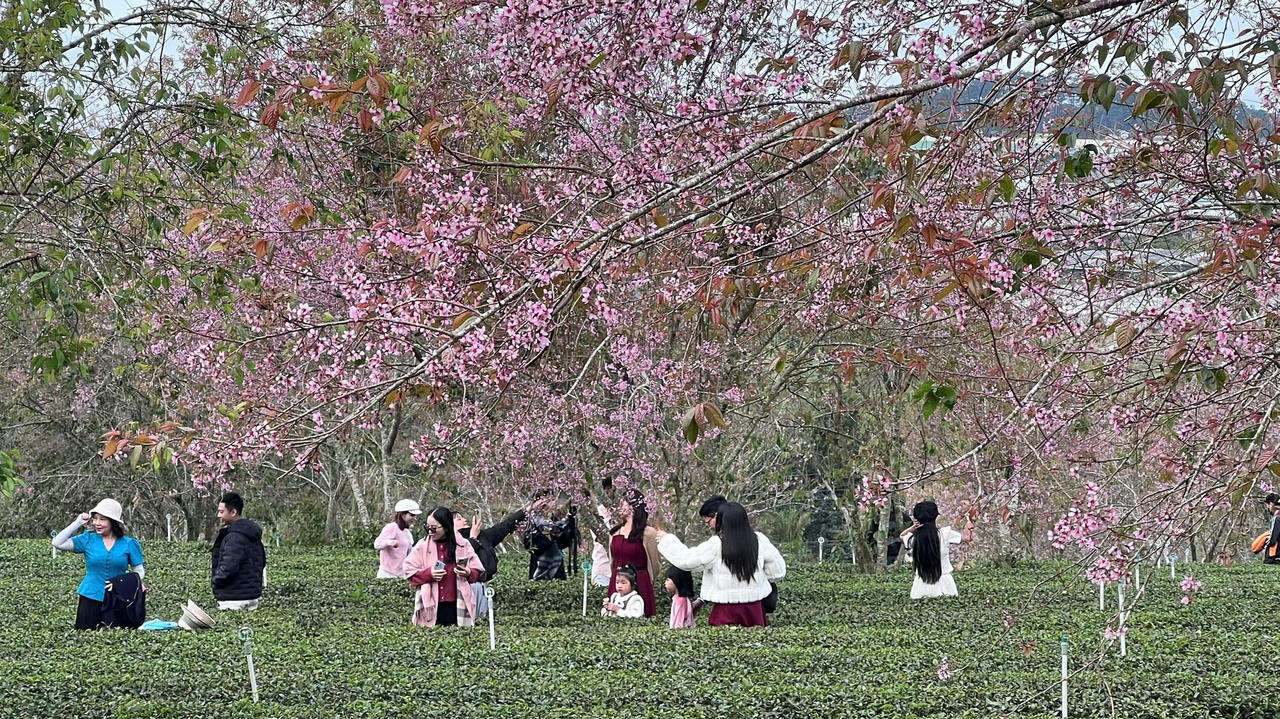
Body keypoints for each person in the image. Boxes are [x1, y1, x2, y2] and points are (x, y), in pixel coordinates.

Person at [656, 502, 786, 627]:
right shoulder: (759, 540)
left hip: (725, 609)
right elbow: (777, 572)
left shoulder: (717, 544)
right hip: (754, 608)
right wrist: (758, 580)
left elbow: (686, 560)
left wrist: (667, 540)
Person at [51, 498, 145, 630]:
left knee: (116, 637)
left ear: (113, 522)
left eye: (102, 519)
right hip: (90, 597)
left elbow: (140, 571)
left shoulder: (129, 544)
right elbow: (57, 542)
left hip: (118, 599)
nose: (97, 523)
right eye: (95, 519)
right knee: (86, 636)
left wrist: (121, 583)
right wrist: (78, 522)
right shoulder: (87, 539)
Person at [403, 507, 481, 627]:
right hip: (430, 606)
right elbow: (409, 572)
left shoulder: (463, 545)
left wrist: (468, 572)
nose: (430, 532)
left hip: (457, 606)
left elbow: (477, 571)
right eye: (427, 527)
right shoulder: (422, 545)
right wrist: (429, 574)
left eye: (434, 528)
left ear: (446, 527)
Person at [455, 507, 526, 615]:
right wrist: (473, 538)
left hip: (482, 586)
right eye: (459, 519)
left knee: (483, 617)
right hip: (463, 588)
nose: (464, 520)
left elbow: (505, 526)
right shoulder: (451, 542)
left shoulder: (484, 536)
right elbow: (460, 558)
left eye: (463, 517)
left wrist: (527, 510)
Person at [899, 500, 970, 599]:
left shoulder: (914, 539)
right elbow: (966, 538)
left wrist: (913, 528)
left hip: (920, 585)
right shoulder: (945, 534)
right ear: (936, 516)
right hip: (946, 584)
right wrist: (969, 521)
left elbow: (902, 536)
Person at [607, 489, 662, 617]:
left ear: (633, 506)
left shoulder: (648, 533)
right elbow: (612, 560)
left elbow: (655, 562)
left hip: (639, 581)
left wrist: (647, 582)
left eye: (623, 503)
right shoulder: (615, 532)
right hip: (617, 579)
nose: (620, 507)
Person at [211, 492, 267, 611]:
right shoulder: (251, 533)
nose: (218, 515)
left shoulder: (235, 537)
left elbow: (228, 566)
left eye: (221, 512)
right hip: (252, 596)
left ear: (233, 512)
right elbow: (262, 561)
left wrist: (216, 581)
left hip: (233, 598)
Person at [374, 499, 422, 579]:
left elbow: (409, 552)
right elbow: (377, 544)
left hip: (402, 574)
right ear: (403, 515)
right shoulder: (392, 527)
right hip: (387, 573)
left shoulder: (406, 532)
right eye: (412, 515)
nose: (414, 518)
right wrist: (390, 542)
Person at [524, 511, 572, 580]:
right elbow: (529, 544)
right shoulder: (532, 520)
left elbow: (565, 542)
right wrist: (547, 535)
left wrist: (569, 524)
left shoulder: (558, 518)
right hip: (539, 567)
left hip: (556, 566)